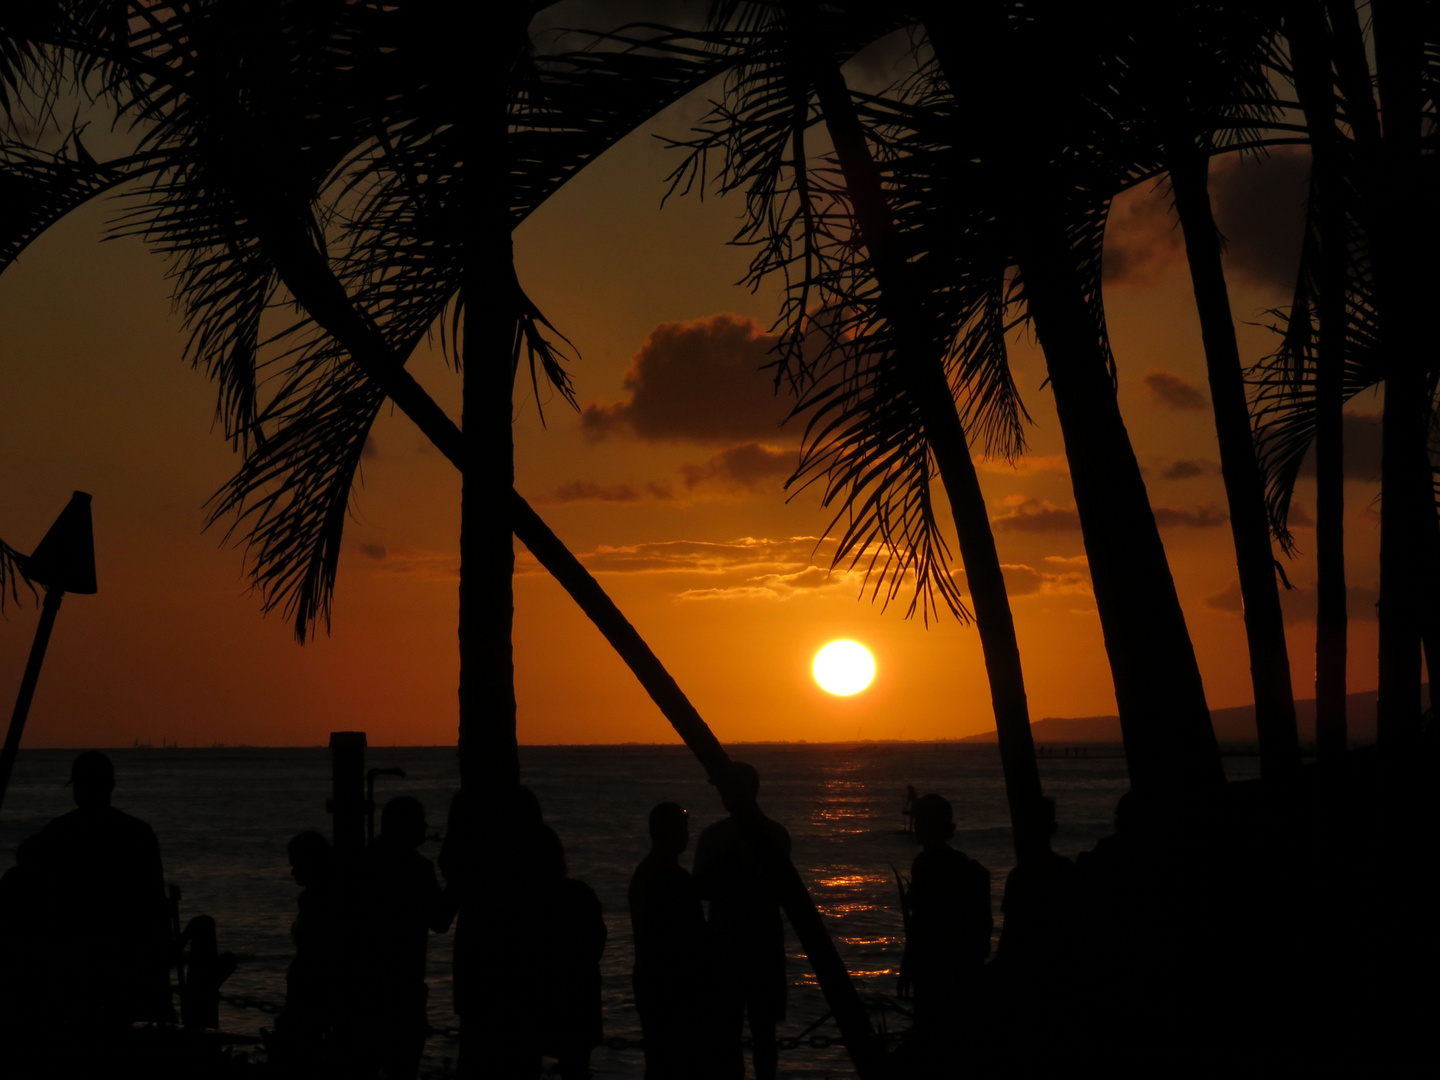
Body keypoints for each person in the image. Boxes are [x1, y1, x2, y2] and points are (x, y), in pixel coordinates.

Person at [29, 750, 173, 1034]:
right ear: (111, 786)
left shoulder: (57, 833)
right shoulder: (138, 833)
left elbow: (41, 905)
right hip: (127, 956)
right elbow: (155, 903)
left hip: (74, 958)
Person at [692, 763, 790, 1080]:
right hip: (763, 946)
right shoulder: (776, 834)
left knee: (729, 1034)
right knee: (763, 1035)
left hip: (728, 947)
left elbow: (701, 888)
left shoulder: (715, 836)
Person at [897, 793, 991, 1066]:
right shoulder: (957, 866)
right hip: (955, 968)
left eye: (921, 823)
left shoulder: (928, 864)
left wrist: (909, 964)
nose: (916, 829)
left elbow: (922, 923)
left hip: (938, 968)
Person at [365, 796, 453, 1080]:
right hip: (403, 990)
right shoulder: (417, 869)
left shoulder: (365, 861)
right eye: (420, 822)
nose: (426, 827)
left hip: (366, 989)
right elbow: (440, 921)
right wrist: (458, 881)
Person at [629, 802, 717, 1079]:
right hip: (676, 984)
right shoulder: (674, 878)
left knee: (659, 1062)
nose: (687, 835)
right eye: (682, 829)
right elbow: (692, 935)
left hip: (650, 979)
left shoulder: (644, 873)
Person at [535, 828, 606, 1080]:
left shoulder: (525, 902)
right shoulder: (581, 893)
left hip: (538, 1004)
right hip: (579, 1005)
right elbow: (596, 943)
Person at [273, 829, 338, 1074]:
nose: (292, 871)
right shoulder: (318, 898)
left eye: (296, 864)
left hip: (309, 995)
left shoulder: (316, 902)